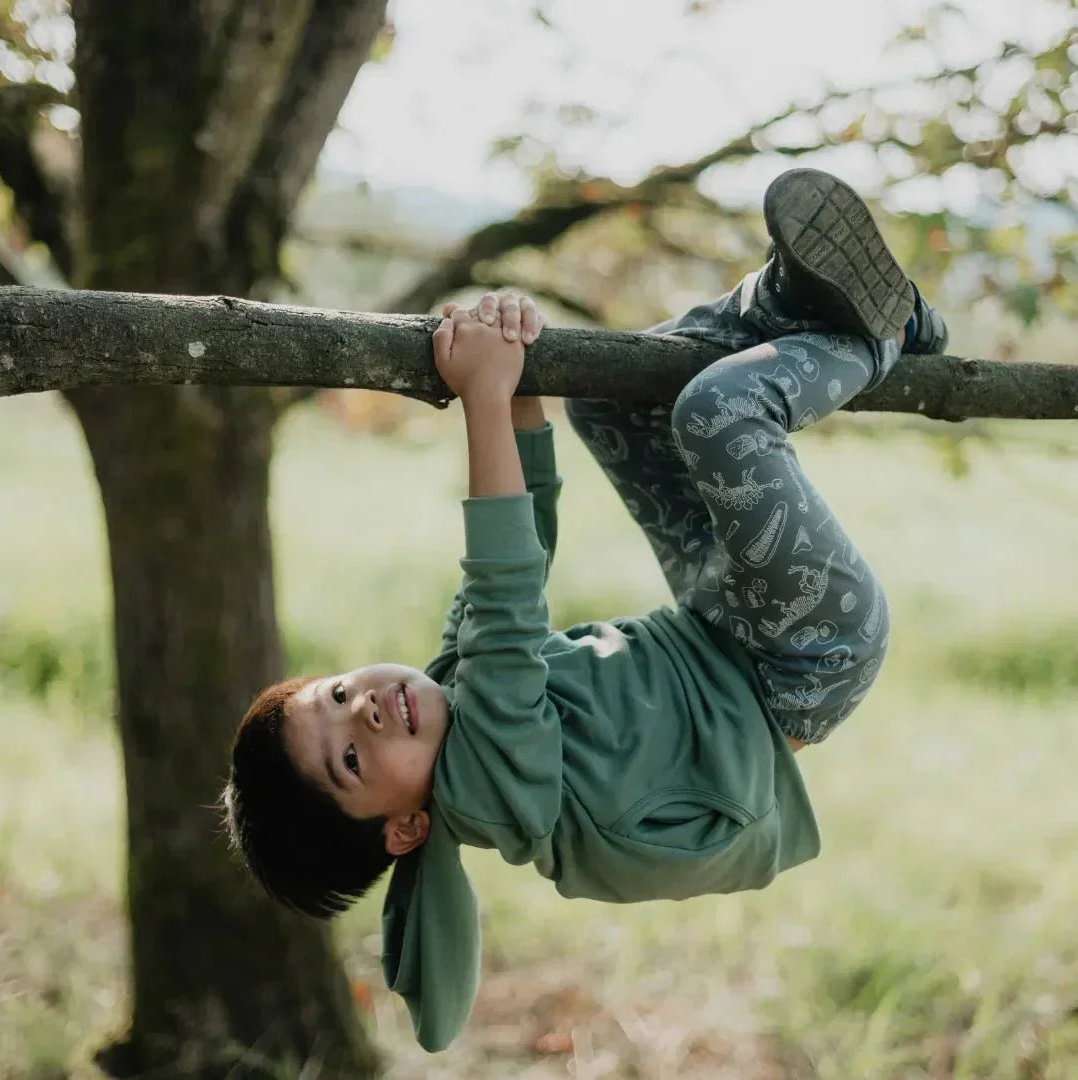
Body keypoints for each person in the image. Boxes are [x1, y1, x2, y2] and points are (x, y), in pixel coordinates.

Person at [223, 168, 948, 1051]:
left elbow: (525, 530)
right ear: (407, 827)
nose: (366, 712)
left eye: (336, 695)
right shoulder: (490, 793)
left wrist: (520, 379)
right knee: (720, 413)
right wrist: (485, 396)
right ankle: (893, 331)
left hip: (722, 627)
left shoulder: (453, 697)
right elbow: (505, 587)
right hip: (804, 658)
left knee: (611, 397)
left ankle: (786, 302)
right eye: (347, 759)